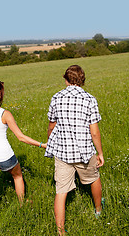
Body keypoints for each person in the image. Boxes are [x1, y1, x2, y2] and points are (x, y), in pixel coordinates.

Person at [0, 80, 46, 232]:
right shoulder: (5, 114)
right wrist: (42, 145)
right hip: (4, 155)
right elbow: (21, 137)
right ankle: (22, 203)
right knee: (17, 177)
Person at [44, 65, 104, 235]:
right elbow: (94, 131)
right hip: (85, 152)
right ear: (82, 79)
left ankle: (60, 231)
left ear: (66, 79)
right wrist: (99, 153)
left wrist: (49, 142)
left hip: (62, 152)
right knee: (93, 179)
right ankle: (98, 211)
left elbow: (51, 125)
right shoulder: (90, 99)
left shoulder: (56, 97)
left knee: (61, 191)